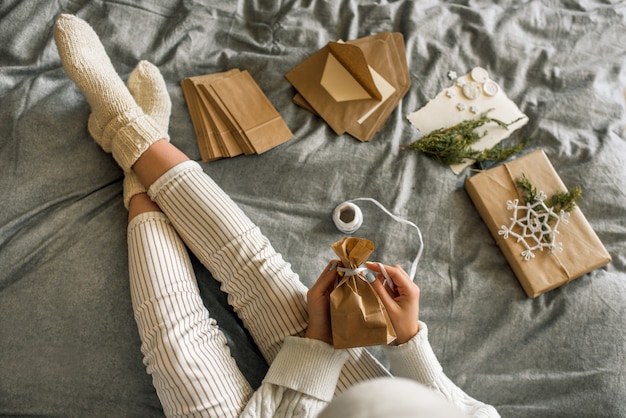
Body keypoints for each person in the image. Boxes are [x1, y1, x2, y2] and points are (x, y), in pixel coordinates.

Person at [53, 14, 500, 418]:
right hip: (360, 404)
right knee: (262, 275)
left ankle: (132, 144)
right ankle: (126, 125)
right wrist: (407, 338)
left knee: (177, 351)